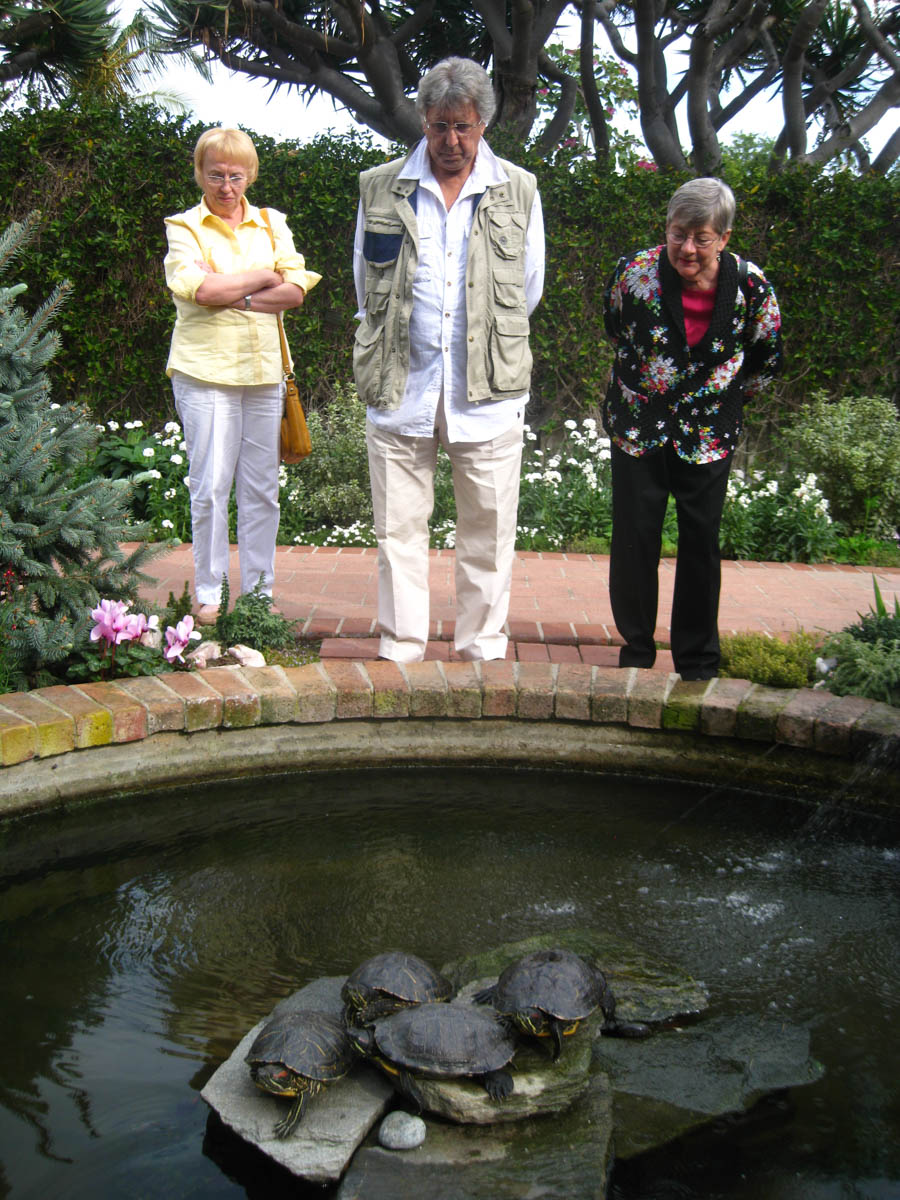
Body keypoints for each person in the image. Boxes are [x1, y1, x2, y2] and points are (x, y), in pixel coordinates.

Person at [353, 57, 545, 663]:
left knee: (488, 534)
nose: (451, 141)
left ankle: (482, 647)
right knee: (398, 533)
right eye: (439, 126)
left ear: (483, 122)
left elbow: (529, 286)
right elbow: (365, 284)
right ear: (423, 120)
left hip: (486, 393)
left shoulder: (518, 188)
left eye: (463, 126)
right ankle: (402, 646)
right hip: (400, 386)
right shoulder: (379, 186)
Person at [602, 177, 782, 680]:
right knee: (635, 535)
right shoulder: (633, 273)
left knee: (701, 539)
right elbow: (615, 328)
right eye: (678, 233)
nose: (687, 248)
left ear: (724, 237)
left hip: (709, 429)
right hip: (638, 422)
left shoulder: (751, 286)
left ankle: (698, 658)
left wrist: (721, 399)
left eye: (702, 237)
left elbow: (766, 359)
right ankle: (637, 648)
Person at [164, 127, 321, 625]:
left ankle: (257, 594)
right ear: (200, 173)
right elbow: (198, 291)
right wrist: (261, 278)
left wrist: (233, 291)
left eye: (235, 175)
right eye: (215, 174)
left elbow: (295, 290)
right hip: (204, 373)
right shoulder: (184, 226)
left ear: (250, 174)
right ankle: (209, 592)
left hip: (263, 375)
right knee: (208, 486)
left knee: (261, 490)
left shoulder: (272, 224)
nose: (226, 185)